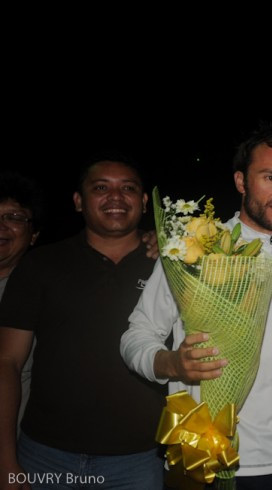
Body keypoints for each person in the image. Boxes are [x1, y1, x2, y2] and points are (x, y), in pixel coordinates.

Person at [121, 123, 272, 490]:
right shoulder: (191, 249)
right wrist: (172, 364)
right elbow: (136, 336)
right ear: (240, 181)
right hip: (196, 453)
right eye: (270, 176)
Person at [0, 157, 166, 489]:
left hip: (138, 461)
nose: (116, 197)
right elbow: (7, 363)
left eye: (128, 188)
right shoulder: (40, 265)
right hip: (44, 456)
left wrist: (168, 246)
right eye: (101, 187)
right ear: (79, 201)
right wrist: (6, 461)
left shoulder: (170, 267)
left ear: (145, 202)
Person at [0, 172, 43, 436]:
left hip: (19, 452)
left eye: (14, 217)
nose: (1, 225)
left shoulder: (46, 291)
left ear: (33, 235)